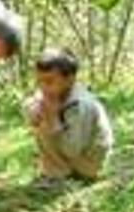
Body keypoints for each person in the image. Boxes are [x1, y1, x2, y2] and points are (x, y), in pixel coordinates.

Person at [24, 48, 114, 181]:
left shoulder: (81, 105)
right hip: (75, 156)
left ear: (70, 79)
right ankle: (58, 171)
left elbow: (72, 150)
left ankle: (59, 175)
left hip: (89, 163)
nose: (43, 87)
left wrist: (53, 120)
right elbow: (34, 100)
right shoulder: (55, 94)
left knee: (44, 124)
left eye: (49, 81)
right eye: (39, 82)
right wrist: (33, 108)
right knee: (39, 113)